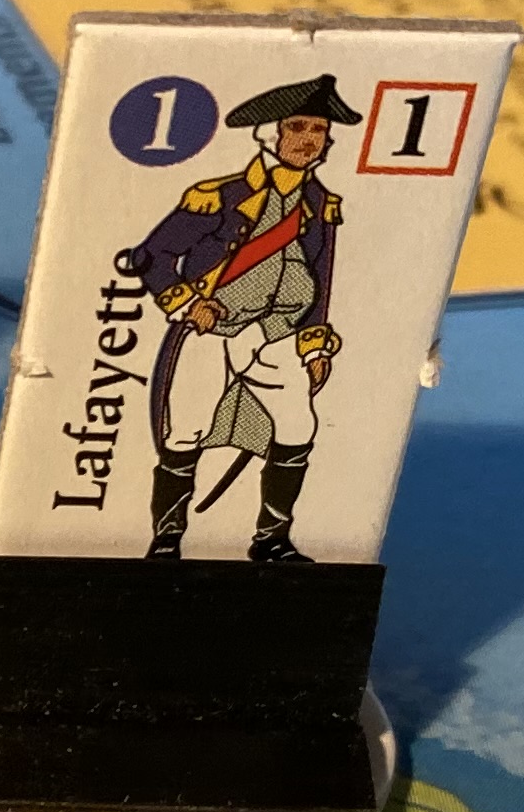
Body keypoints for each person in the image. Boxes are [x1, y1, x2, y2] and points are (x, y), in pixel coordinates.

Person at [122, 74, 354, 562]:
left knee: (298, 429)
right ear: (270, 133)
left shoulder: (320, 204)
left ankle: (271, 540)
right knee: (184, 432)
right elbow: (152, 255)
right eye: (297, 127)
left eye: (318, 129)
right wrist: (189, 303)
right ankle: (166, 541)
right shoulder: (221, 196)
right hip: (214, 331)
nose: (309, 139)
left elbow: (321, 278)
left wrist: (313, 344)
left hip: (278, 337)